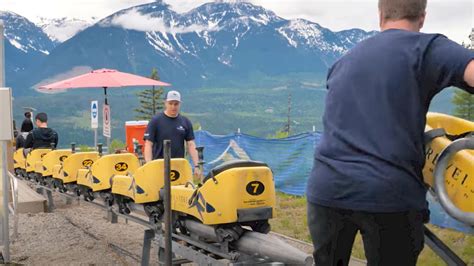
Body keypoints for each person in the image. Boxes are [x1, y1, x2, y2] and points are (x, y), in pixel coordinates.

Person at [306, 0, 474, 265]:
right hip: (388, 194)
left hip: (327, 189)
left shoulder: (346, 58)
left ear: (380, 15)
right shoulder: (427, 48)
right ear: (422, 16)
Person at [143, 90, 201, 178]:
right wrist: (149, 165)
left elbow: (191, 144)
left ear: (180, 104)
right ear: (165, 103)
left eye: (176, 104)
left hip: (178, 166)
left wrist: (197, 166)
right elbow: (148, 144)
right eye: (170, 103)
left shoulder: (185, 122)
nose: (173, 106)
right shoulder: (156, 121)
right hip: (159, 166)